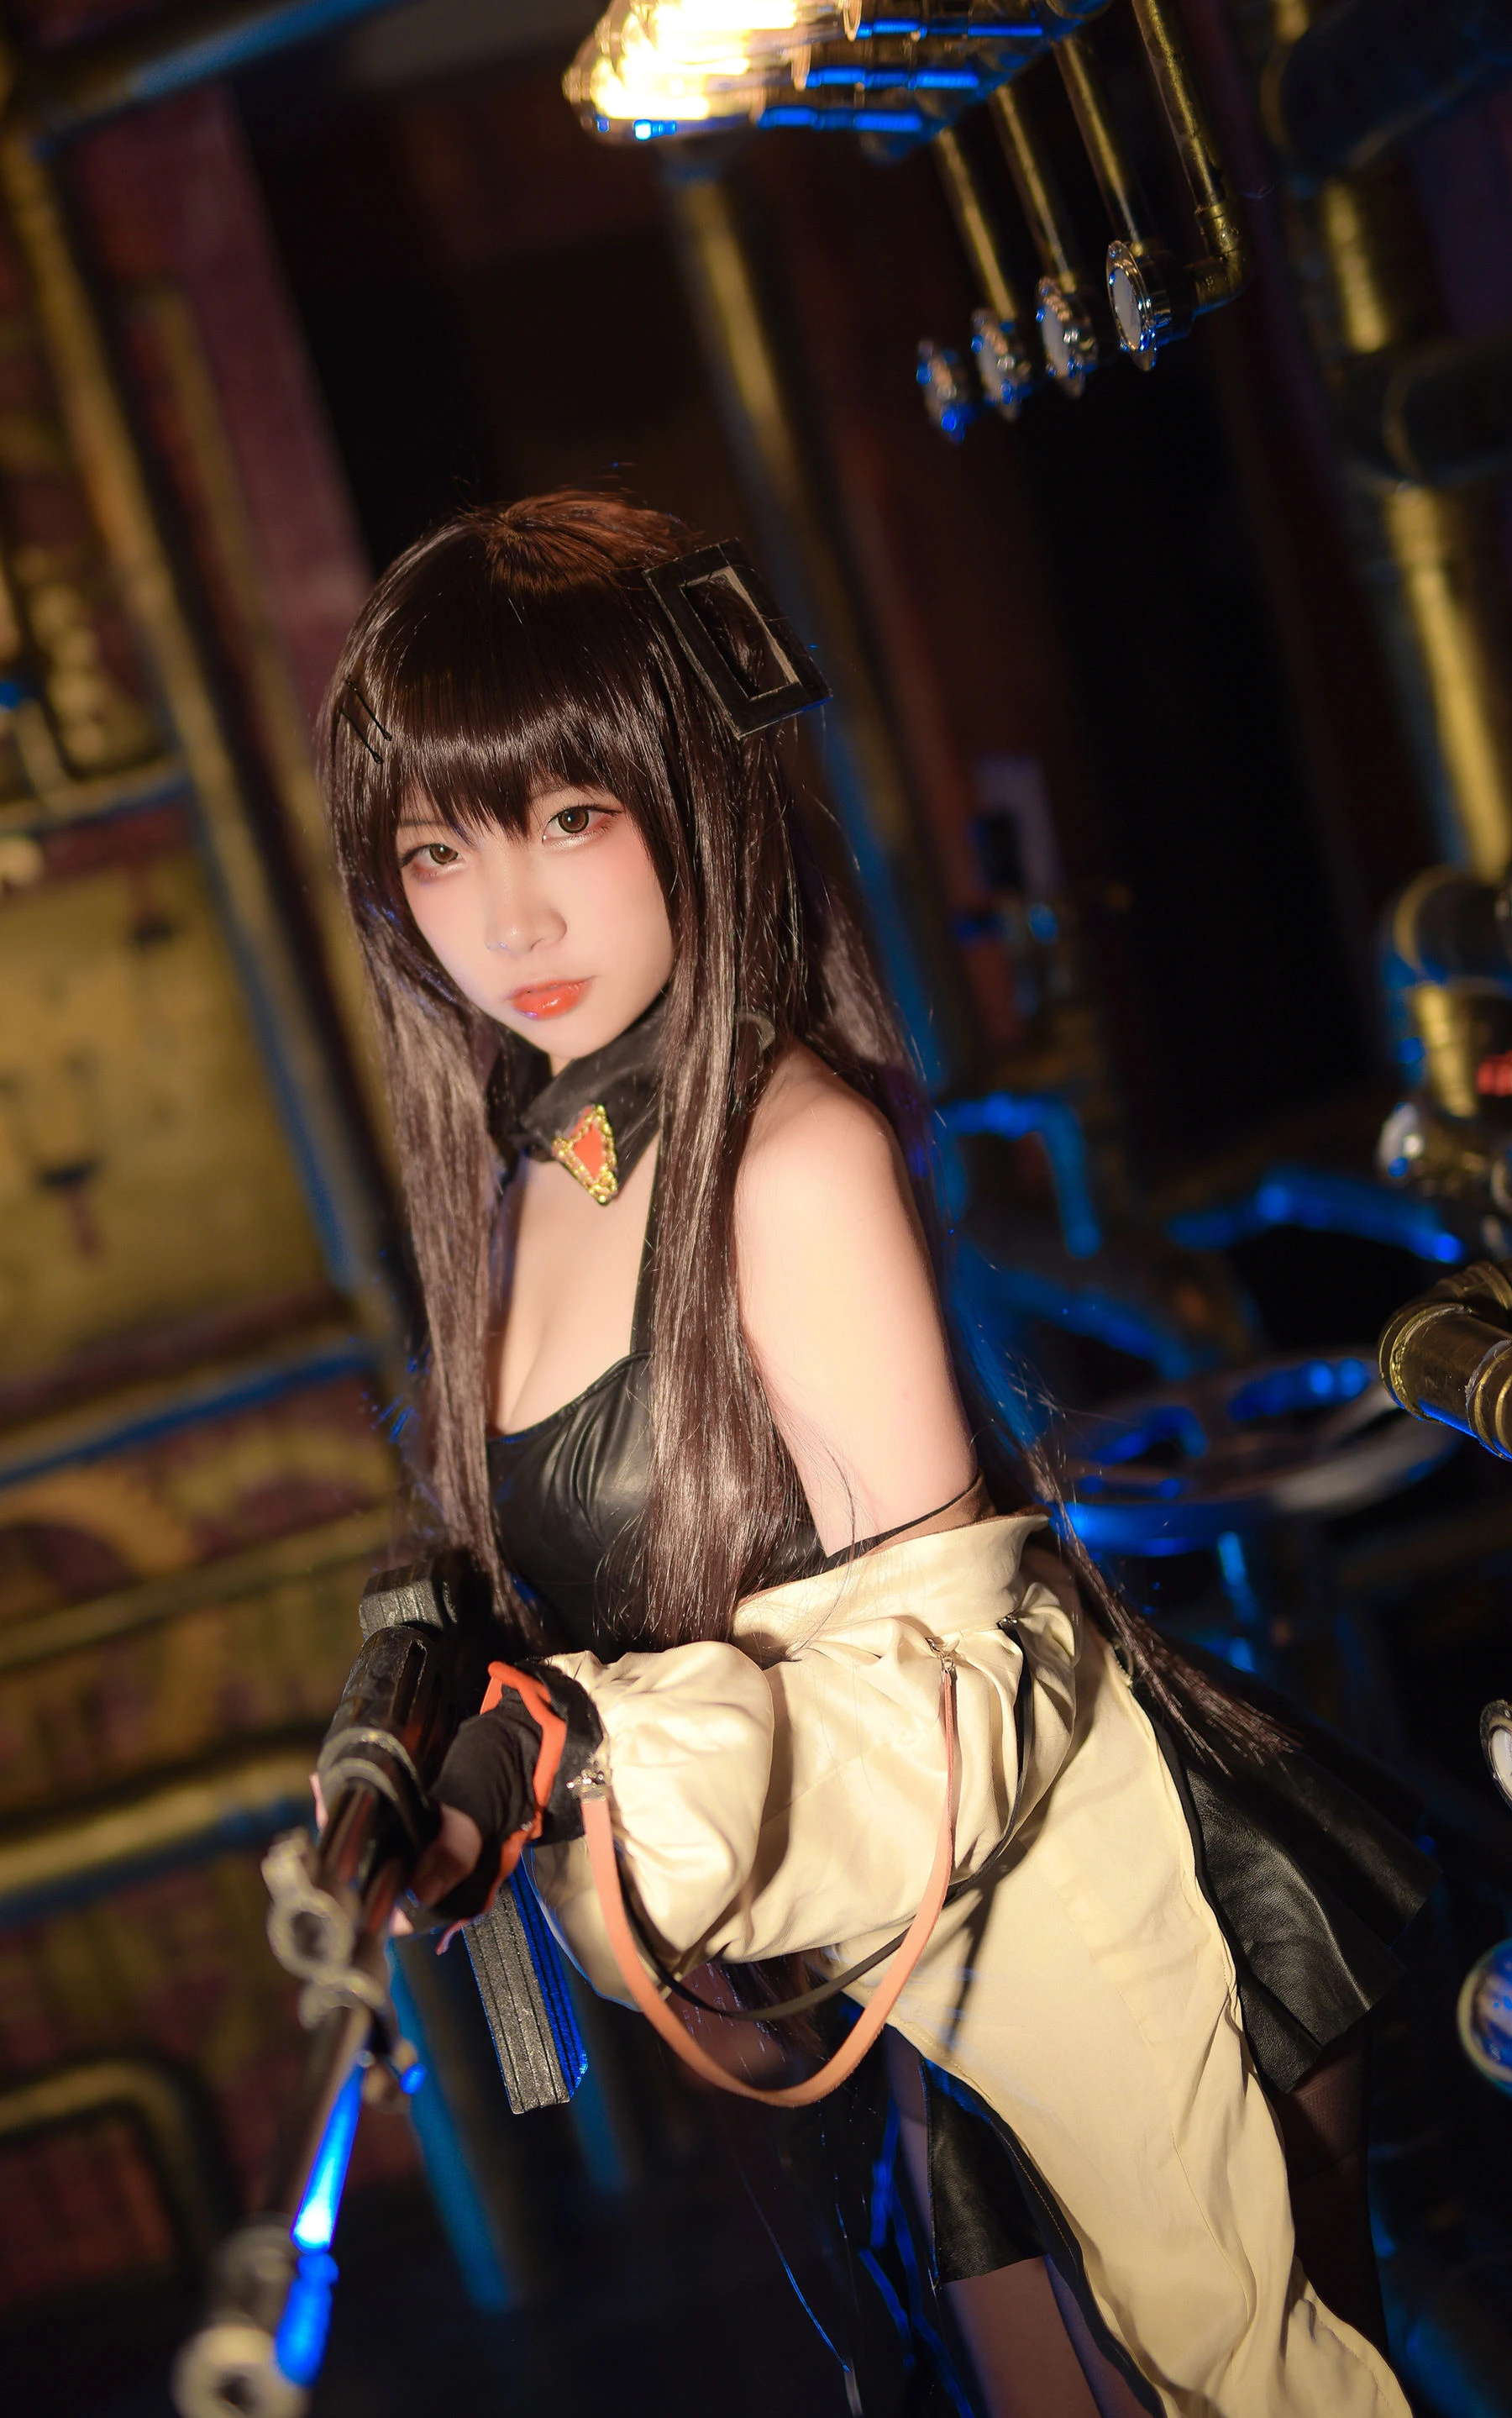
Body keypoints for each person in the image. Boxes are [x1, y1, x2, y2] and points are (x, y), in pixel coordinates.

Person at [318, 491, 1432, 2418]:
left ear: (693, 789)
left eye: (570, 815)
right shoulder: (520, 1186)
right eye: (439, 847)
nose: (510, 918)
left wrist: (582, 1755)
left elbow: (963, 1697)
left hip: (1097, 1904)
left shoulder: (791, 1153)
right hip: (891, 1957)